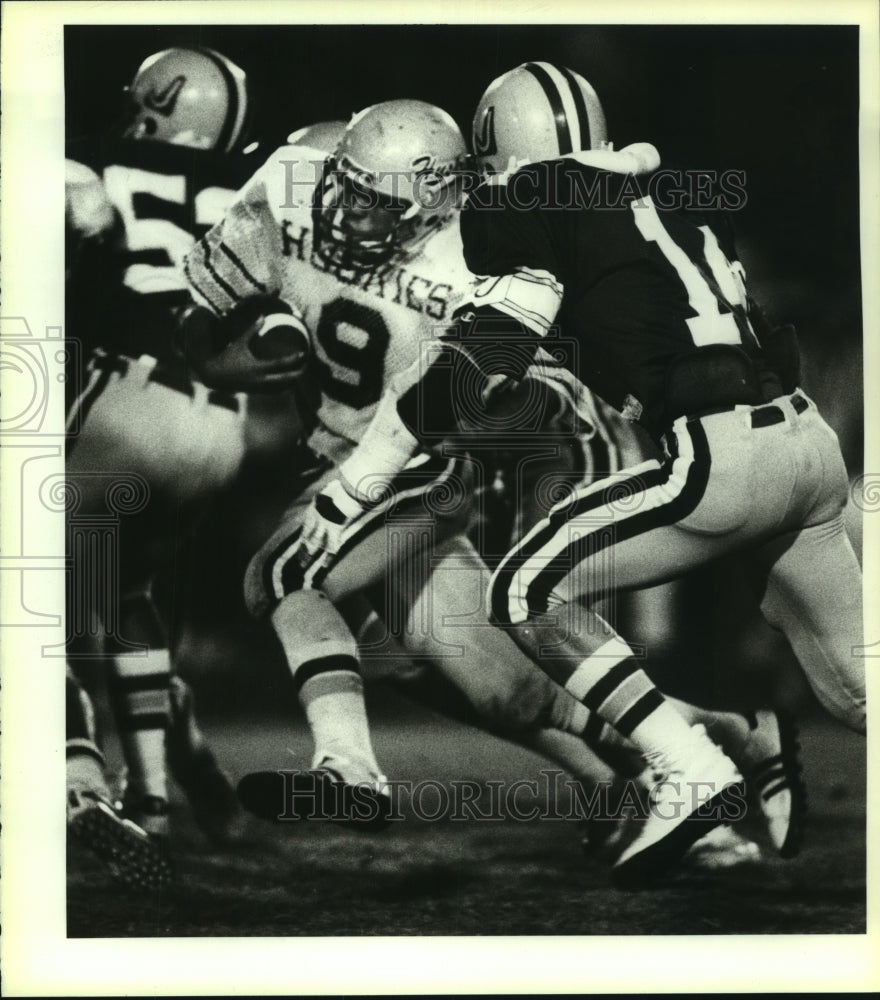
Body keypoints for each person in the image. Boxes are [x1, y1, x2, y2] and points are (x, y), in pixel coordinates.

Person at [183, 98, 802, 871]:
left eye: (379, 202)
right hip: (333, 458)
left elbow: (518, 397)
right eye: (346, 186)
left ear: (438, 198)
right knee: (496, 688)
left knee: (283, 574)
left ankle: (349, 769)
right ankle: (732, 737)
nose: (349, 212)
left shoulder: (486, 249)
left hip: (426, 464)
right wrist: (239, 352)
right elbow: (200, 333)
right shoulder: (288, 188)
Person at [65, 47, 267, 877]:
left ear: (156, 102)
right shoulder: (257, 195)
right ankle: (154, 792)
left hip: (122, 396)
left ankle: (78, 775)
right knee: (125, 592)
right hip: (223, 428)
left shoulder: (94, 162)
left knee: (40, 599)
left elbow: (77, 214)